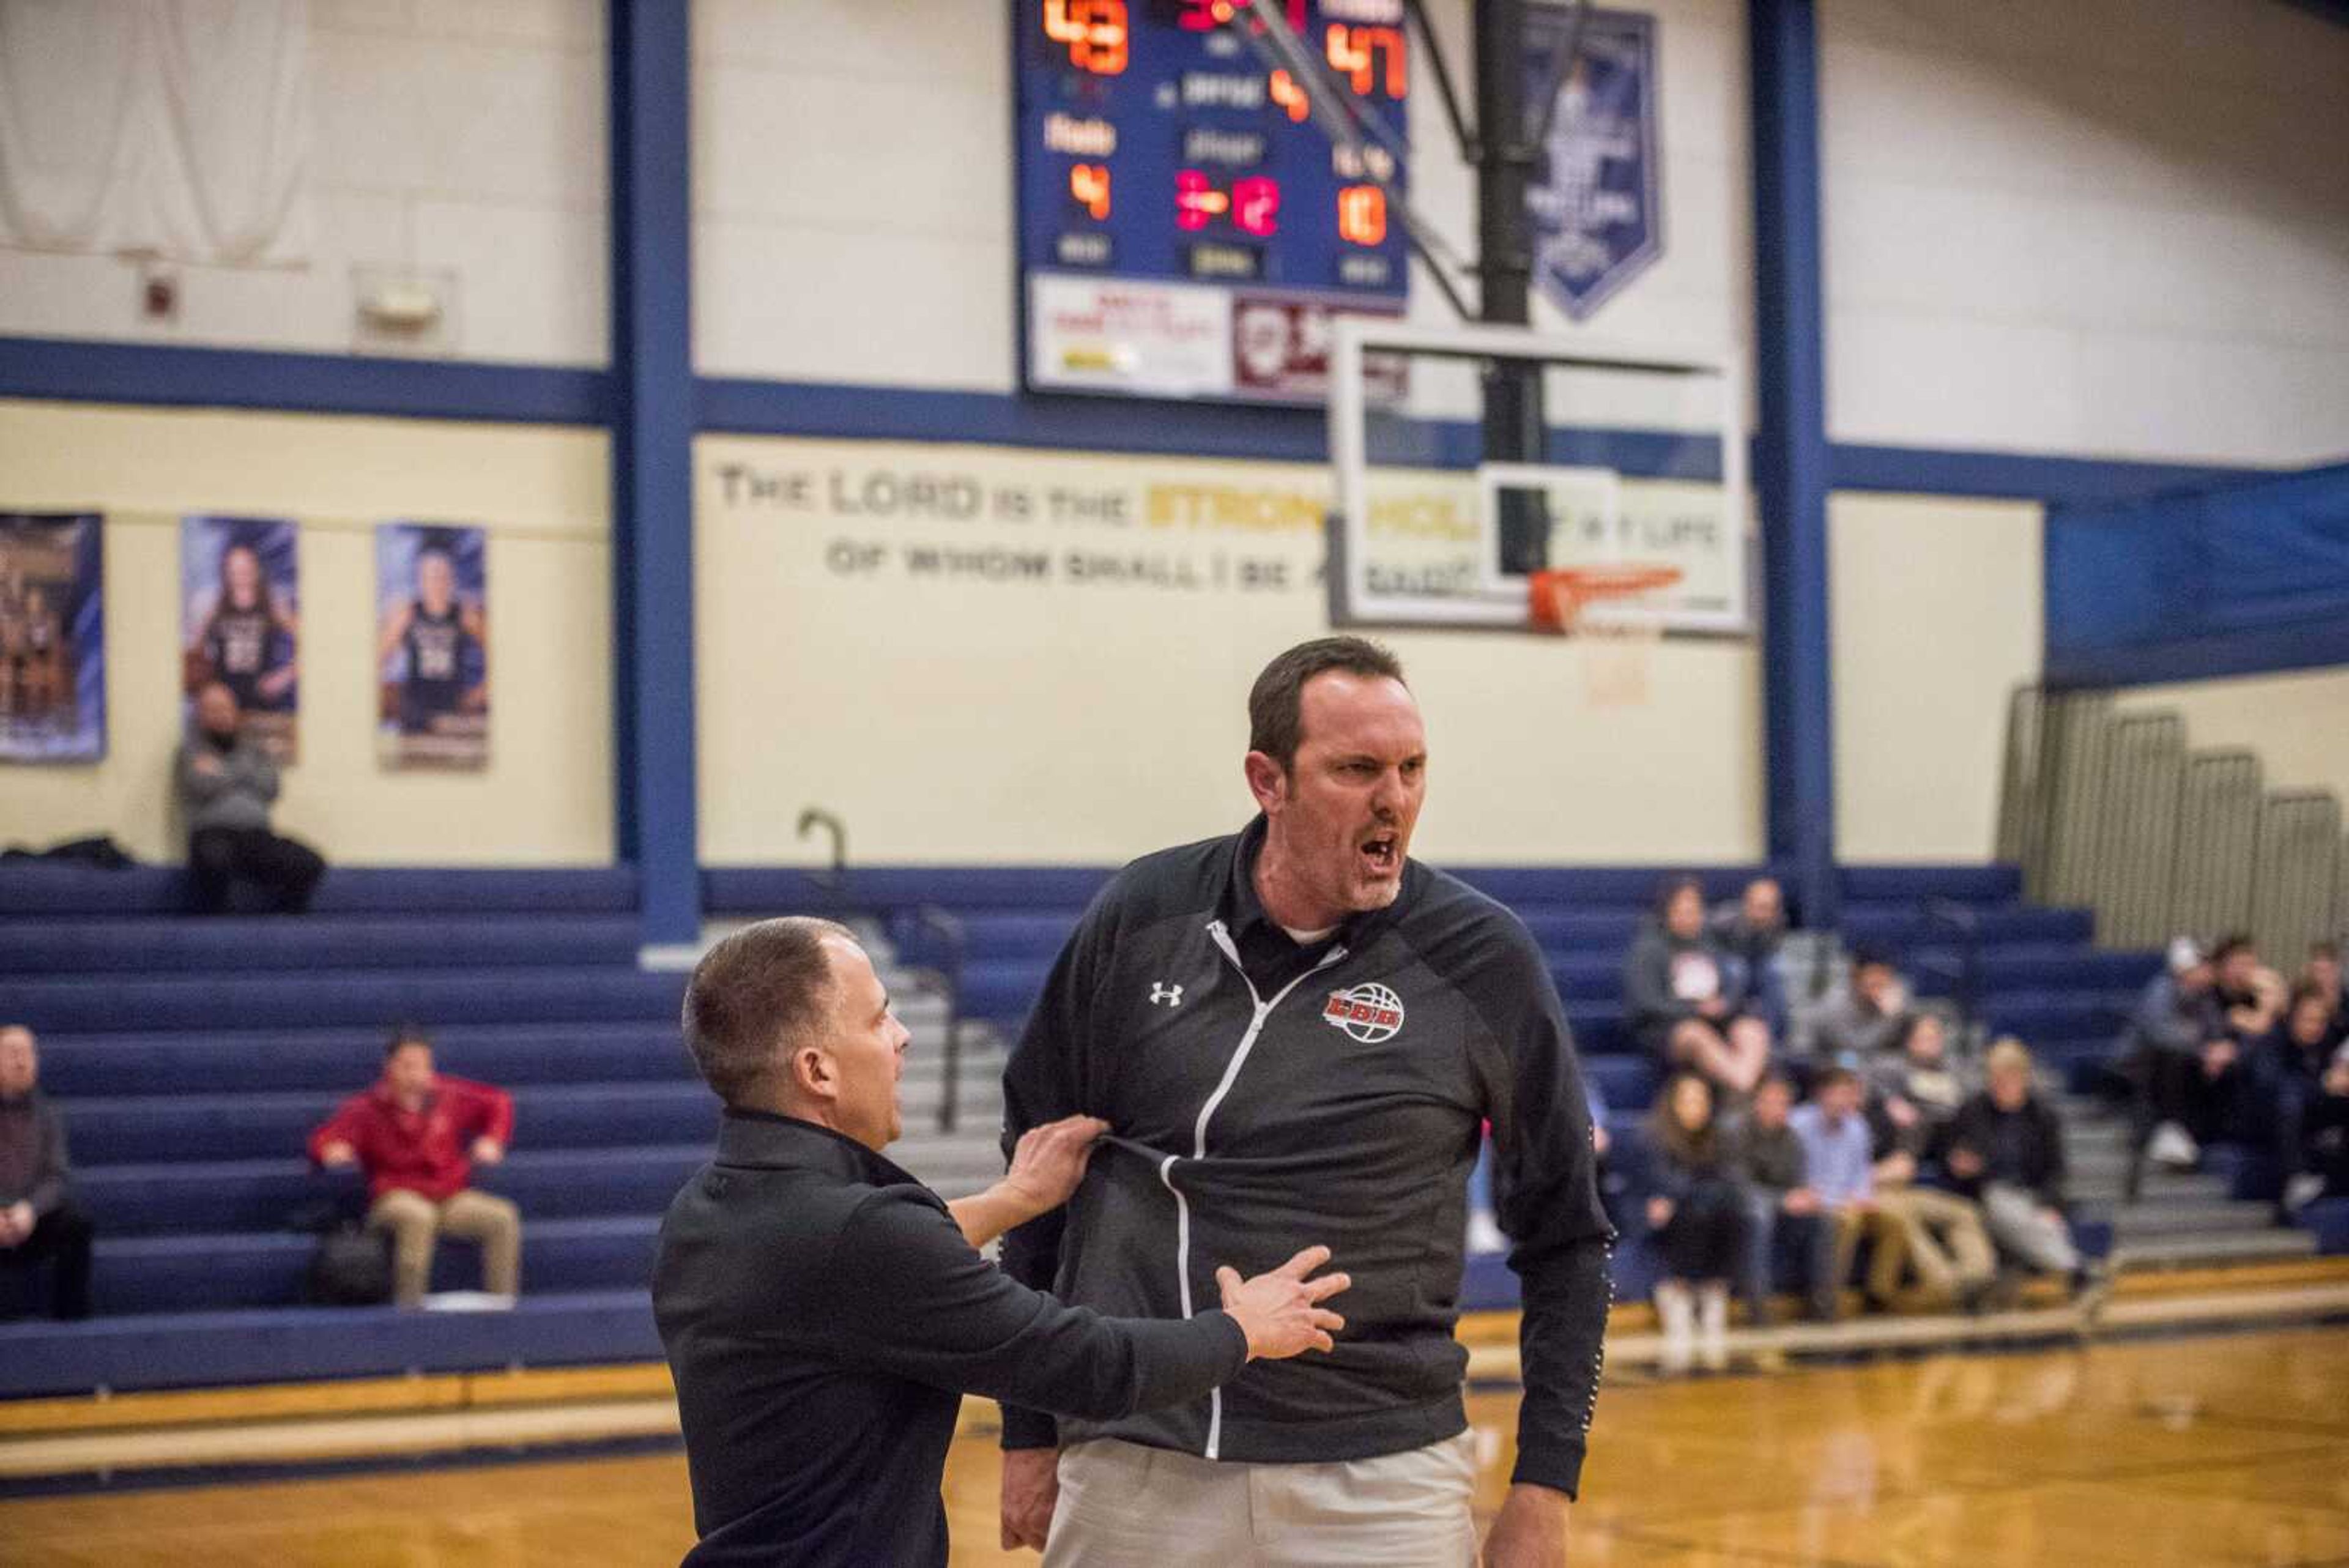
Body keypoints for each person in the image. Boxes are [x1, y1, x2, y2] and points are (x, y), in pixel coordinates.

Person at [999, 637, 1612, 1568]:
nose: (1394, 798)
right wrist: (1027, 1426)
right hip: (1136, 1456)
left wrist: (1545, 1481)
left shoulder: (1485, 959)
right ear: (1267, 780)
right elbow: (1039, 1177)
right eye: (1357, 768)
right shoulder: (1144, 913)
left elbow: (1567, 1235)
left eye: (1412, 769)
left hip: (1383, 1477)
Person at [654, 918, 1350, 1568]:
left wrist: (1012, 1200)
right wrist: (1243, 1330)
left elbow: (866, 1272)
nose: (902, 1037)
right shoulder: (863, 1238)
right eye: (878, 1018)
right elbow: (1091, 1364)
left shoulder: (709, 1209)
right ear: (818, 1071)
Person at [308, 1027, 520, 1307]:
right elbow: (323, 1139)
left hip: (448, 1196)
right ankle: (410, 1309)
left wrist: (493, 1139)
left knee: (502, 1217)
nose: (417, 1075)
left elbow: (498, 1102)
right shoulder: (366, 1108)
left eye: (423, 1066)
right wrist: (329, 1151)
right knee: (418, 1216)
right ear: (390, 1068)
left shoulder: (449, 1095)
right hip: (394, 1197)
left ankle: (503, 1306)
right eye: (408, 1066)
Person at [1945, 1040, 2102, 1305]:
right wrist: (1962, 1166)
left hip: (2032, 1196)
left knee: (2043, 1221)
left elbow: (2056, 1170)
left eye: (2009, 1079)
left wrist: (2049, 1205)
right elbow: (1953, 1157)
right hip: (1987, 1195)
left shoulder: (2043, 1116)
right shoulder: (1972, 1111)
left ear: (2024, 1078)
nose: (2002, 1086)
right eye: (1996, 1079)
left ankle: (2077, 1280)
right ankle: (2077, 1270)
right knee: (2007, 1207)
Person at [1863, 1014, 1996, 1312]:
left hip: (1913, 1185)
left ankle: (1976, 1278)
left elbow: (1915, 1158)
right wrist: (1877, 1174)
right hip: (1878, 1193)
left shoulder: (1935, 1102)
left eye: (1936, 1037)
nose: (1931, 1044)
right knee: (1902, 1217)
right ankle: (1947, 1284)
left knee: (1964, 1213)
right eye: (1923, 1037)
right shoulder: (1871, 1107)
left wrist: (1959, 1159)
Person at [176, 680, 326, 913]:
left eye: (225, 709)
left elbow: (271, 788)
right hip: (213, 836)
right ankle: (216, 930)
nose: (221, 716)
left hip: (257, 837)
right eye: (213, 710)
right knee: (213, 862)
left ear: (235, 712)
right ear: (200, 715)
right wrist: (247, 774)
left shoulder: (254, 749)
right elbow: (202, 785)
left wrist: (223, 772)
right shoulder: (191, 750)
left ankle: (285, 925)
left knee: (308, 862)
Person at [1639, 1071, 1749, 1372]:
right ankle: (1679, 1298)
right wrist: (1692, 1192)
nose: (1695, 1107)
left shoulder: (1718, 1138)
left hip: (1702, 1211)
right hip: (1656, 1215)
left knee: (1733, 1213)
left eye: (1701, 1100)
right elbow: (1664, 1186)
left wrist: (1696, 1191)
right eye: (1688, 1100)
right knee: (1690, 1213)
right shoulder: (1653, 1137)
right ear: (1672, 1104)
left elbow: (1730, 1182)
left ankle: (1714, 1295)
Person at [1624, 875, 1771, 1096]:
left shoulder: (1713, 945)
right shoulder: (1649, 950)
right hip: (1668, 1029)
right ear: (1667, 913)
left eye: (1694, 912)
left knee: (1753, 1031)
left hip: (1717, 1021)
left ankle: (1742, 1083)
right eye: (1682, 912)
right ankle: (1744, 1088)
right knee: (1696, 1034)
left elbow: (1733, 985)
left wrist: (1724, 1005)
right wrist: (1694, 1010)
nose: (1689, 919)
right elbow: (1647, 1003)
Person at [0, 1026, 92, 1320]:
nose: (22, 1061)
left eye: (28, 1053)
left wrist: (30, 1210)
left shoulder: (48, 1113)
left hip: (31, 1217)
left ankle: (71, 1323)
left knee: (76, 1224)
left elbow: (57, 1176)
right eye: (13, 1053)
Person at [1787, 1066, 1893, 1320]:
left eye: (1851, 1095)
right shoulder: (1798, 1124)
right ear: (1822, 1094)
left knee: (1895, 1222)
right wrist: (1838, 1202)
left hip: (1850, 1200)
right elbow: (1799, 1182)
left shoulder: (1858, 1126)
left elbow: (1862, 1173)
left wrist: (1863, 1196)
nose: (1847, 1101)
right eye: (1841, 1094)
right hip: (1816, 1202)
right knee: (1848, 1221)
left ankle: (1878, 1297)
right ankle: (1825, 1300)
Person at [2119, 938, 2230, 1171]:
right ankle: (2170, 1127)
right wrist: (2204, 1051)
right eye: (2203, 965)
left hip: (2186, 1065)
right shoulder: (2161, 991)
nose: (2209, 971)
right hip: (2142, 1067)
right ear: (2185, 969)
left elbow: (2216, 1030)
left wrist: (2219, 1051)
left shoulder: (2205, 997)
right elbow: (2162, 1034)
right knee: (2172, 1057)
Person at [1734, 1073, 1835, 1324]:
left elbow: (1797, 1184)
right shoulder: (1736, 1133)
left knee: (1822, 1219)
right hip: (1740, 1209)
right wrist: (1782, 1200)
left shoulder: (1792, 1139)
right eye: (1771, 1101)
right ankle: (1758, 1308)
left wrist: (1805, 1196)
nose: (1777, 1109)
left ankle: (1822, 1305)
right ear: (1757, 1102)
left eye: (1783, 1103)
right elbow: (1737, 1186)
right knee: (1759, 1214)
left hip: (1780, 1209)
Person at [377, 538, 488, 737]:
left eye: (442, 576)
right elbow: (377, 657)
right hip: (415, 710)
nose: (436, 583)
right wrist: (388, 696)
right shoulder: (407, 613)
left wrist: (481, 691)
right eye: (430, 576)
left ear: (451, 578)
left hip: (453, 708)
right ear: (420, 578)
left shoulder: (464, 614)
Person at [2261, 984, 2348, 1215]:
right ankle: (2296, 1176)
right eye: (2308, 1020)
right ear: (2292, 1019)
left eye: (2321, 1021)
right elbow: (2274, 1085)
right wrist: (2322, 1085)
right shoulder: (2273, 1042)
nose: (2315, 1027)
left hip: (2314, 1117)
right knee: (2291, 1100)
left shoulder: (2329, 1043)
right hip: (2268, 1120)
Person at [186, 538, 298, 712]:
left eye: (246, 567)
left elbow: (312, 640)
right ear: (226, 572)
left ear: (257, 569)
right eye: (235, 569)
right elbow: (194, 655)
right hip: (224, 704)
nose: (241, 574)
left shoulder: (272, 605)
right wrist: (209, 688)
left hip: (262, 702)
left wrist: (283, 677)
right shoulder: (213, 605)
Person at [1710, 875, 1791, 1036]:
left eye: (1770, 908)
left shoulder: (1779, 922)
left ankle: (1773, 1039)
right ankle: (1725, 1025)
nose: (1763, 914)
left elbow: (1771, 952)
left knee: (1775, 972)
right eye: (1759, 907)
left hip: (1757, 963)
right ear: (1747, 903)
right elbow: (1706, 946)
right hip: (1724, 962)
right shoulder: (1723, 920)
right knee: (1737, 969)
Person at [1802, 948, 1909, 1060]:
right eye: (1873, 979)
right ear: (1855, 978)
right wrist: (1891, 1018)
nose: (1880, 985)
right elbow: (1857, 1049)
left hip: (1877, 1067)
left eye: (1884, 978)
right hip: (1831, 1062)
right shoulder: (1834, 1004)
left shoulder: (1898, 998)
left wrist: (1900, 1015)